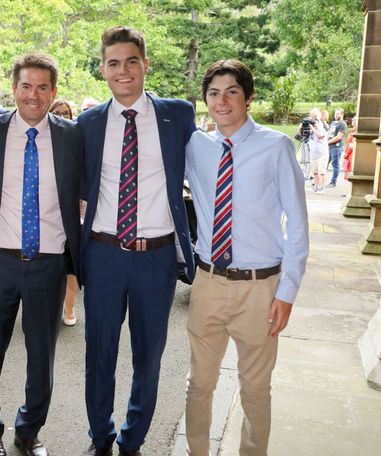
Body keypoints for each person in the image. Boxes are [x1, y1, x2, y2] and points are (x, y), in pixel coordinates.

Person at [78, 26, 196, 456]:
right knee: (100, 354)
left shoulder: (178, 115)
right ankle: (100, 438)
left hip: (157, 258)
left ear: (145, 65)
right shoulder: (88, 123)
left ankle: (133, 441)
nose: (122, 70)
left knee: (149, 357)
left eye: (131, 61)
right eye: (113, 63)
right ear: (103, 69)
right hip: (103, 254)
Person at [183, 59, 309, 456]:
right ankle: (196, 451)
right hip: (207, 283)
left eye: (232, 92)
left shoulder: (276, 146)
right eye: (214, 93)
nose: (222, 101)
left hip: (260, 287)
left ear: (249, 98)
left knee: (255, 388)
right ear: (205, 100)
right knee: (199, 383)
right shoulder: (195, 146)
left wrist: (287, 291)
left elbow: (298, 224)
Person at [0, 52, 82, 456]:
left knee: (42, 356)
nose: (33, 95)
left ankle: (29, 429)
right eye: (25, 86)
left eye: (42, 87)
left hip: (50, 263)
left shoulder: (72, 135)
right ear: (14, 88)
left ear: (53, 91)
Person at [48, 98, 79, 326]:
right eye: (57, 112)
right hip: (46, 216)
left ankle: (69, 307)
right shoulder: (40, 140)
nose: (62, 115)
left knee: (70, 265)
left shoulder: (76, 139)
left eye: (66, 112)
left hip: (71, 214)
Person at [298, 108, 327, 194]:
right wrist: (301, 127)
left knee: (322, 172)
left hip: (322, 154)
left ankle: (322, 187)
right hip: (313, 154)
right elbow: (300, 134)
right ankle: (316, 186)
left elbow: (320, 135)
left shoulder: (322, 130)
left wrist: (312, 128)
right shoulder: (310, 131)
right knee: (315, 172)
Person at [326, 107, 347, 187]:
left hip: (337, 147)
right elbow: (329, 132)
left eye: (338, 114)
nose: (336, 115)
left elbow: (338, 137)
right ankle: (322, 179)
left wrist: (328, 142)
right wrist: (326, 141)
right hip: (330, 145)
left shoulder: (342, 124)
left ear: (342, 114)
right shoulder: (333, 123)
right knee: (326, 163)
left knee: (335, 164)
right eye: (335, 114)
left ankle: (333, 181)